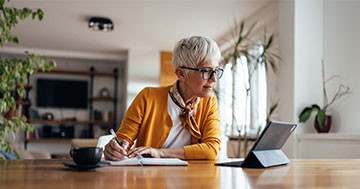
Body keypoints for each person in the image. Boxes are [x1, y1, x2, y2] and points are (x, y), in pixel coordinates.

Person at [104, 35, 224, 160]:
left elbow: (212, 149)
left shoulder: (209, 102)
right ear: (181, 73)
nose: (214, 79)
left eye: (216, 71)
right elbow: (124, 139)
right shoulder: (147, 97)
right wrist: (115, 149)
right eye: (206, 71)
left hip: (191, 177)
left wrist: (161, 153)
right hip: (149, 177)